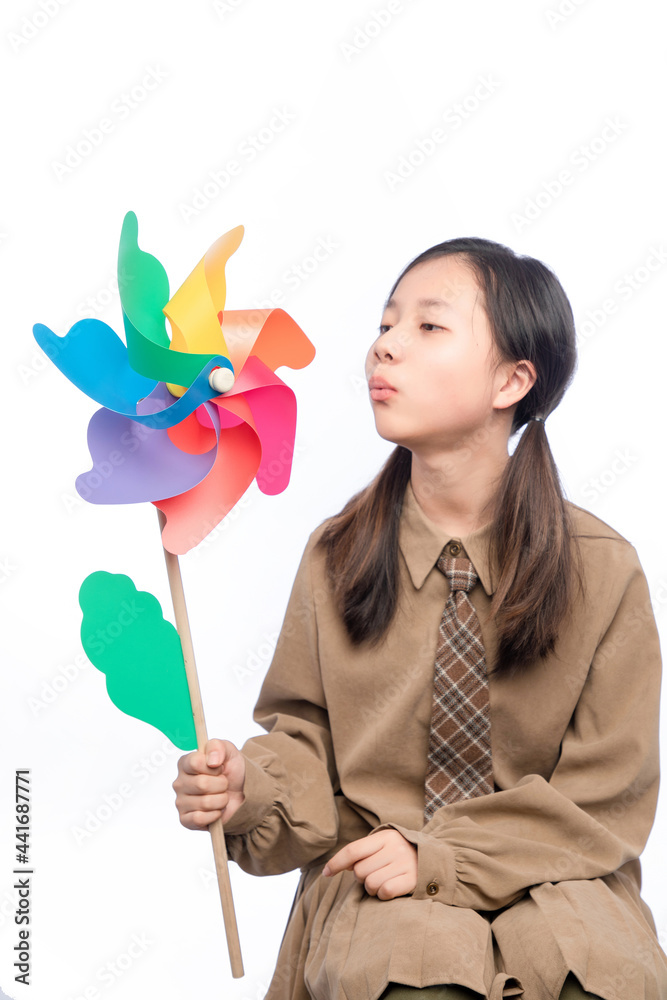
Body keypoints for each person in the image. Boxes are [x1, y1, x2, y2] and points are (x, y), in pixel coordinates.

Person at [173, 237, 667, 1000]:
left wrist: (438, 857)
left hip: (558, 875)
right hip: (378, 877)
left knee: (594, 974)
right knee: (408, 975)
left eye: (427, 327)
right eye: (383, 325)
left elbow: (604, 798)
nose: (384, 347)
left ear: (512, 378)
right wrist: (251, 790)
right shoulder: (335, 556)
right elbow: (305, 744)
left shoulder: (602, 566)